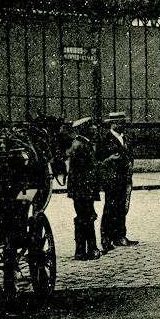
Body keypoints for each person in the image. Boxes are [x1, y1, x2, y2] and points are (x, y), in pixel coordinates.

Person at [98, 111, 137, 252]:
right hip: (112, 180)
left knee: (122, 208)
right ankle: (106, 238)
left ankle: (120, 236)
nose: (124, 125)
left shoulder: (124, 138)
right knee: (110, 209)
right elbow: (100, 160)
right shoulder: (106, 139)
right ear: (113, 124)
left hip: (124, 179)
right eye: (121, 123)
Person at [66, 117, 101, 261]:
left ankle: (87, 249)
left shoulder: (81, 143)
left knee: (86, 217)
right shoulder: (81, 145)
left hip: (82, 188)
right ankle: (86, 250)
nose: (93, 128)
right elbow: (82, 171)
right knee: (85, 218)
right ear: (83, 129)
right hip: (83, 189)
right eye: (90, 126)